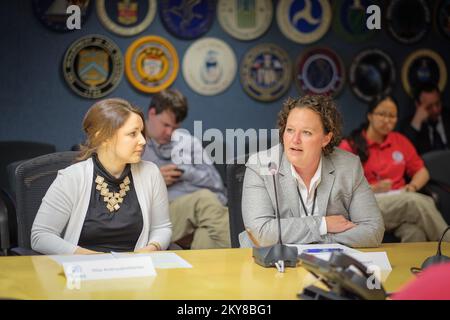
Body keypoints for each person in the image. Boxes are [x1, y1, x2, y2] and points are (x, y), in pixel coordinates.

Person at [240, 95, 384, 248]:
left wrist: (321, 243)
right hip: (269, 266)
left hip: (328, 264)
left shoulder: (349, 166)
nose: (295, 140)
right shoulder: (261, 166)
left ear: (326, 139)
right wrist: (323, 225)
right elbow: (260, 233)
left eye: (306, 132)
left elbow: (373, 230)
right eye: (289, 130)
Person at [31, 98, 172, 255]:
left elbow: (162, 228)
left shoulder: (150, 173)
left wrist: (151, 248)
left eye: (141, 132)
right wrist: (96, 260)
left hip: (137, 270)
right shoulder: (72, 178)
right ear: (103, 137)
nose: (143, 140)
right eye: (133, 134)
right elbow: (41, 236)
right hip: (83, 271)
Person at [340, 95, 449, 242]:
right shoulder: (350, 145)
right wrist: (373, 188)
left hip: (399, 200)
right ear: (370, 116)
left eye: (392, 116)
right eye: (382, 114)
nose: (387, 120)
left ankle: (419, 265)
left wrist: (412, 186)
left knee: (415, 233)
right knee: (416, 202)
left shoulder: (400, 141)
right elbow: (342, 189)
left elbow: (422, 172)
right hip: (367, 205)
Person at [142, 89, 230, 249]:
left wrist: (187, 172)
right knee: (205, 200)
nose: (169, 132)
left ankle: (201, 274)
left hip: (205, 212)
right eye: (166, 125)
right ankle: (247, 263)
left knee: (206, 235)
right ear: (152, 114)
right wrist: (155, 180)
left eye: (175, 127)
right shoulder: (136, 144)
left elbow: (217, 184)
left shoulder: (188, 142)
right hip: (162, 216)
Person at [401, 82, 449, 154]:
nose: (435, 110)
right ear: (418, 105)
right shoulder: (409, 125)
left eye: (437, 104)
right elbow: (404, 152)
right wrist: (416, 122)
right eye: (429, 106)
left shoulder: (447, 116)